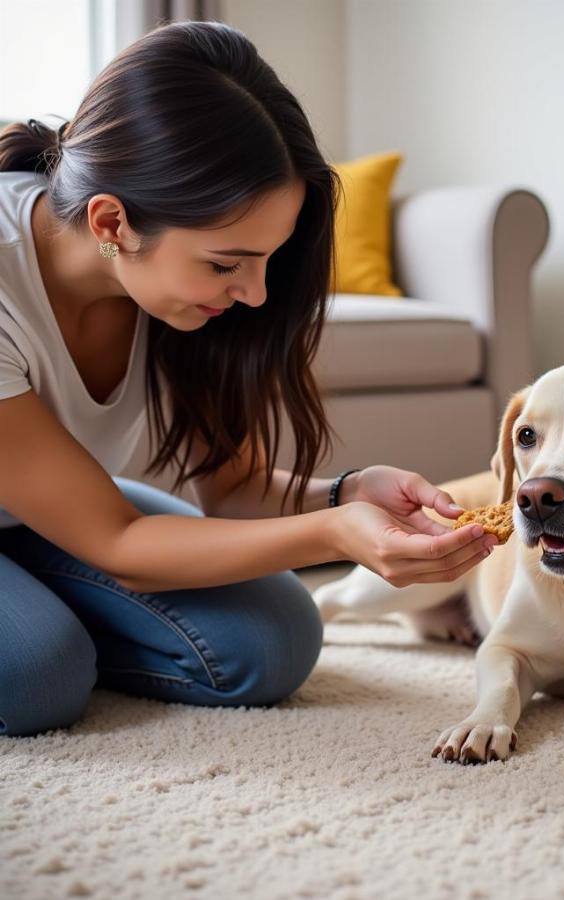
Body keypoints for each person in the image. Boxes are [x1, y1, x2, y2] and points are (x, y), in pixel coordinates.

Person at [0, 21, 497, 739]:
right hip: (93, 528)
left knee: (275, 640)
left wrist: (348, 493)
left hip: (53, 516)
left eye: (266, 259)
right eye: (226, 263)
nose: (256, 294)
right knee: (40, 677)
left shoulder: (167, 294)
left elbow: (229, 486)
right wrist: (333, 533)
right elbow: (121, 548)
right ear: (113, 221)